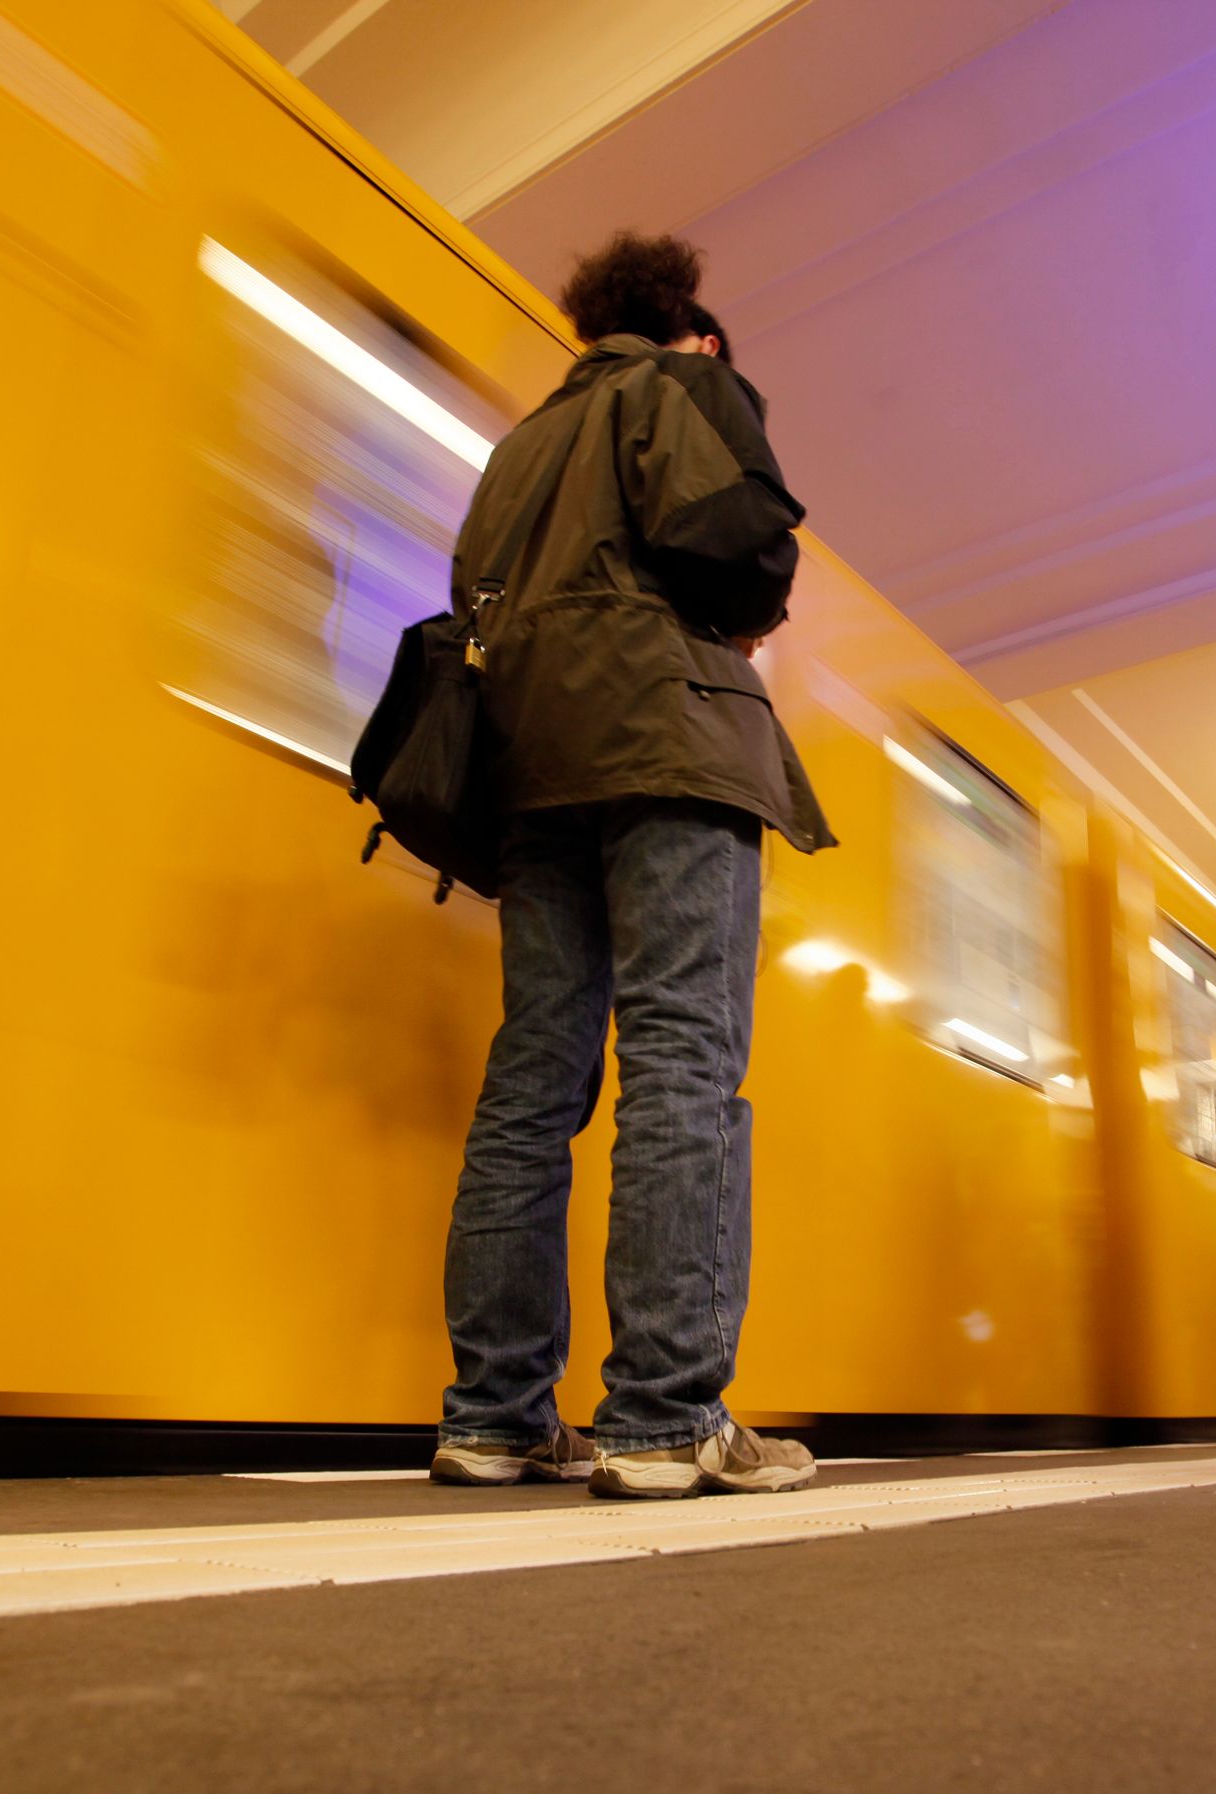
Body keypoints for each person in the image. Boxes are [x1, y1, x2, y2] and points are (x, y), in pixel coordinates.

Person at [431, 231, 833, 1500]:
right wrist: (756, 612)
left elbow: (472, 599)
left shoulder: (514, 450)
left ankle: (493, 1416)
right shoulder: (685, 387)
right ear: (695, 334)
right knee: (683, 1060)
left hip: (530, 772)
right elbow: (746, 546)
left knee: (533, 1082)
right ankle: (664, 1418)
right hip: (667, 743)